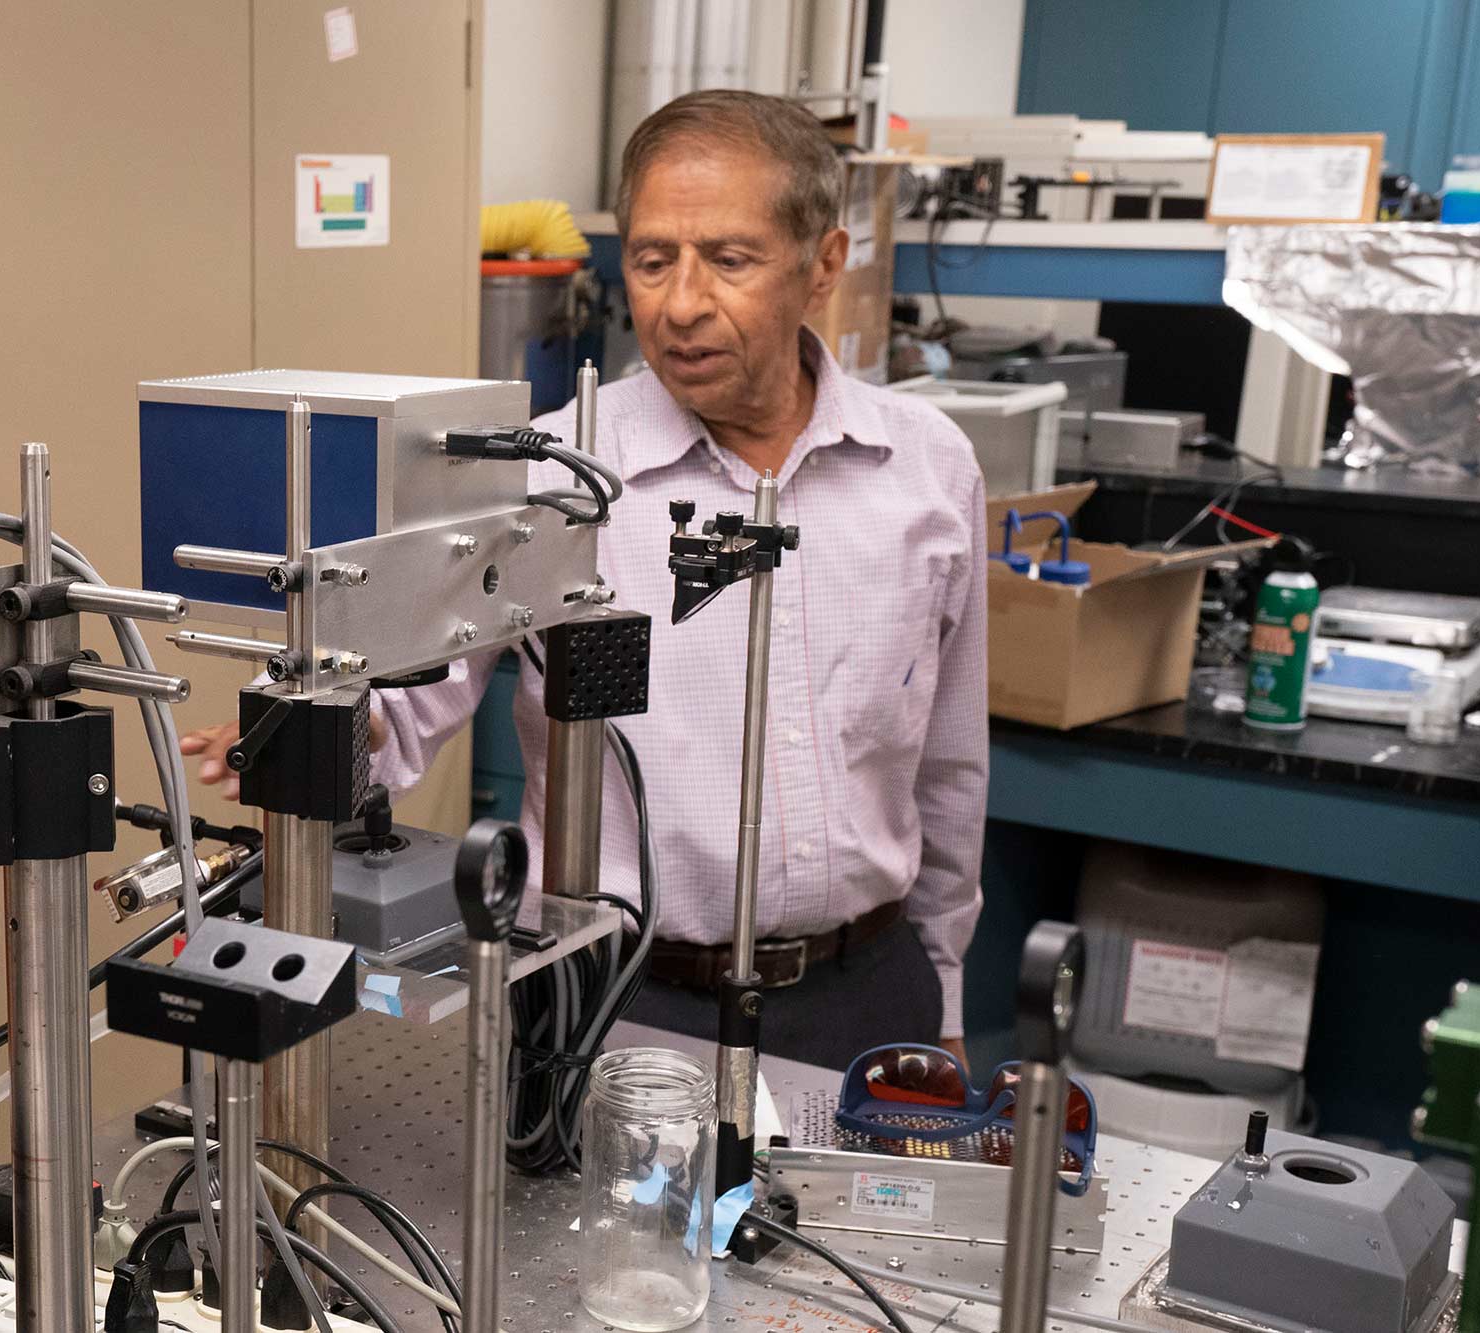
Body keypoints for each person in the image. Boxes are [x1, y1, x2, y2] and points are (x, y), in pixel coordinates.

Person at [183, 89, 987, 1070]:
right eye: (651, 261)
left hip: (865, 997)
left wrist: (940, 989)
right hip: (613, 1000)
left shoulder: (926, 468)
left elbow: (949, 768)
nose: (680, 303)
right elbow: (411, 702)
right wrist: (314, 726)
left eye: (728, 261)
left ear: (822, 264)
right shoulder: (543, 477)